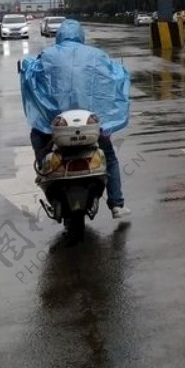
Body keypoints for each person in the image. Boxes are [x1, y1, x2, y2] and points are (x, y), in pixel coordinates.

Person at [19, 18, 132, 218]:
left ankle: (44, 172)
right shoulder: (96, 56)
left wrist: (25, 65)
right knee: (110, 158)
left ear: (59, 36)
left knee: (38, 139)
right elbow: (116, 74)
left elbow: (30, 72)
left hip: (56, 126)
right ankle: (116, 204)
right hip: (90, 125)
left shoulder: (48, 55)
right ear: (81, 36)